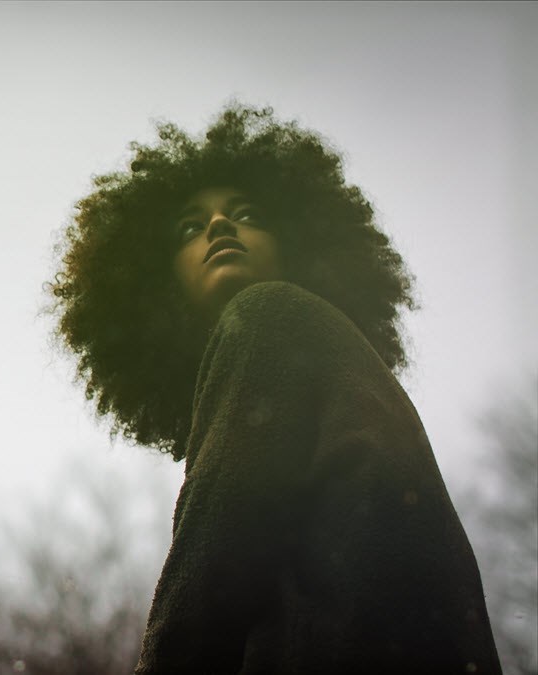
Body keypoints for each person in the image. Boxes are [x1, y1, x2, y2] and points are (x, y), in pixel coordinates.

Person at [48, 103, 502, 674]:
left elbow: (211, 570)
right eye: (191, 227)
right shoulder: (343, 372)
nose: (219, 226)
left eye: (246, 214)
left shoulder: (266, 315)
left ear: (297, 243)